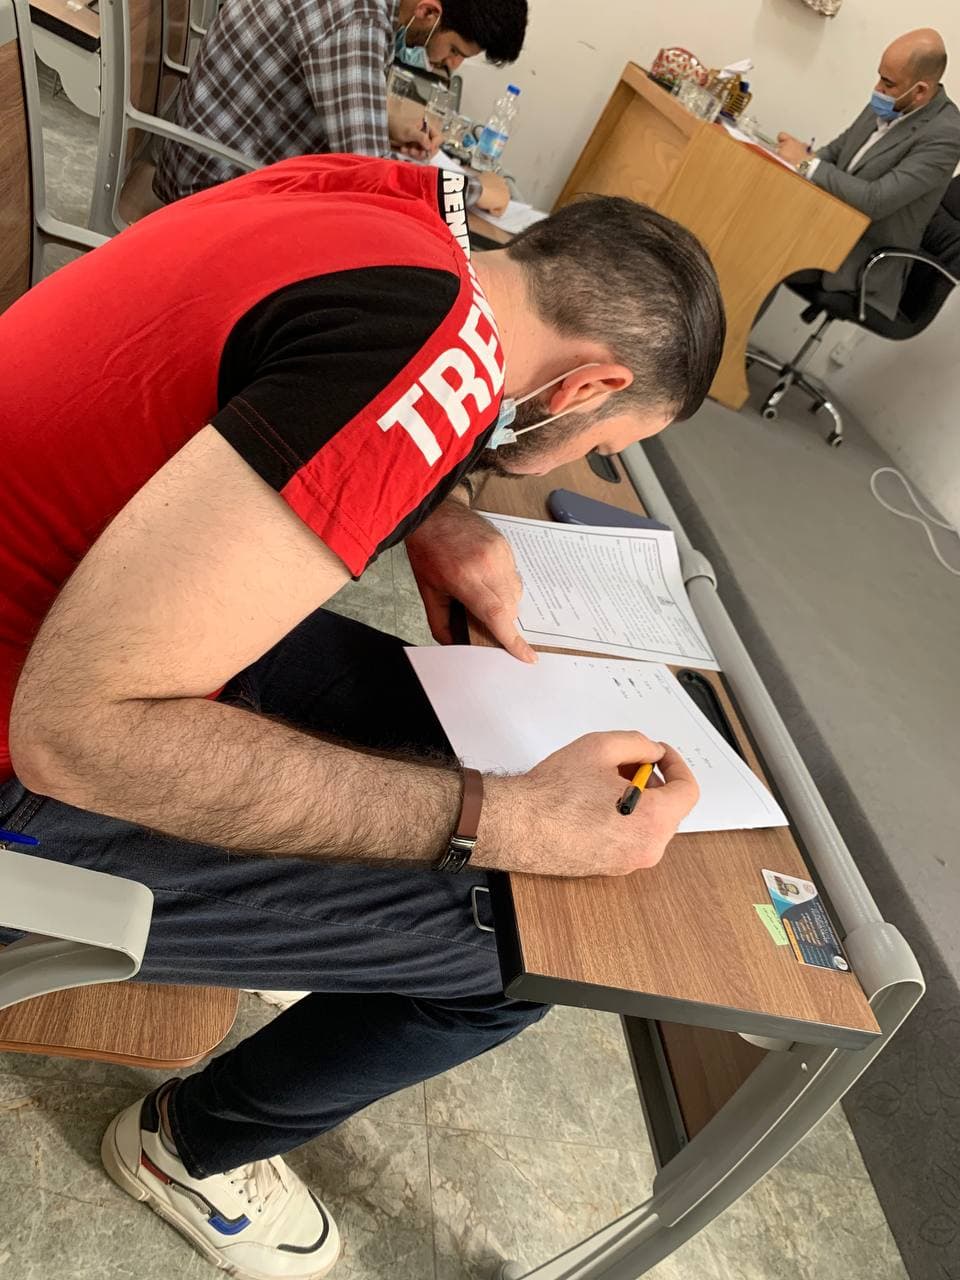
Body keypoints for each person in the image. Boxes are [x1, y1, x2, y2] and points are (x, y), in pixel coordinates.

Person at [0, 153, 724, 1279]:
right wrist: (511, 820)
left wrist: (433, 510)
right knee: (521, 945)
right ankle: (189, 1146)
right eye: (606, 446)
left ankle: (308, 926)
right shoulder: (428, 372)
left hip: (59, 597)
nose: (593, 454)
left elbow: (283, 369)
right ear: (586, 389)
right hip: (34, 734)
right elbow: (76, 734)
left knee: (427, 723)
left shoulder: (388, 205)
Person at [153, 0, 526, 216]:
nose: (450, 65)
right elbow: (372, 177)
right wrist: (475, 189)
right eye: (456, 51)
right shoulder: (357, 19)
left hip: (216, 155)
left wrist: (387, 122)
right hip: (209, 190)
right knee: (378, 239)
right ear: (429, 11)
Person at [774, 27, 960, 318]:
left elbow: (875, 200)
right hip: (823, 227)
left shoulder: (946, 134)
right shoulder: (890, 101)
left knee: (767, 248)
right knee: (758, 222)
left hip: (861, 259)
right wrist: (790, 162)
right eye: (880, 76)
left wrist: (807, 164)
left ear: (920, 91)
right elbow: (835, 152)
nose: (878, 88)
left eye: (888, 82)